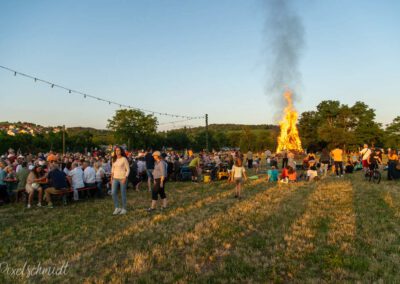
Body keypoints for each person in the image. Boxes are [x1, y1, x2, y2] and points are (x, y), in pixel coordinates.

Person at [111, 146, 130, 215]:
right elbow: (112, 169)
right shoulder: (114, 159)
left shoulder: (124, 159)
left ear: (121, 151)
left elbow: (128, 169)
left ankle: (124, 208)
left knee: (123, 193)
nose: (117, 152)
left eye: (118, 150)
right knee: (113, 193)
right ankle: (117, 207)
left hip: (122, 178)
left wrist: (125, 177)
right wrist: (111, 178)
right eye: (116, 150)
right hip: (115, 178)